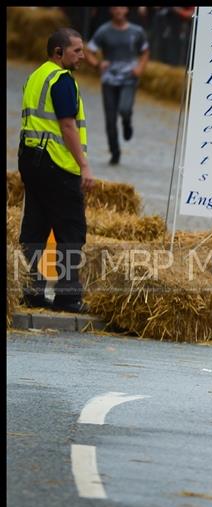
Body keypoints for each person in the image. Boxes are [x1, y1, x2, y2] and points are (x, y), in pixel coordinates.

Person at [18, 28, 93, 313]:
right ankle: (67, 296)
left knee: (35, 227)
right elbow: (66, 125)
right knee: (71, 229)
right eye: (77, 51)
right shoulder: (62, 80)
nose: (83, 56)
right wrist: (84, 165)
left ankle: (32, 289)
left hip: (30, 159)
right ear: (58, 52)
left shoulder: (37, 75)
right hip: (57, 163)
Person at [85, 6, 149, 165]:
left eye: (122, 8)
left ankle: (127, 122)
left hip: (129, 78)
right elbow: (89, 51)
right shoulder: (104, 31)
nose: (119, 11)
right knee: (110, 119)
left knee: (125, 109)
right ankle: (115, 152)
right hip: (109, 79)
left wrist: (140, 68)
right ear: (111, 11)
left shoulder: (137, 31)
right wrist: (97, 64)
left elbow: (145, 51)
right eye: (115, 8)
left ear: (127, 10)